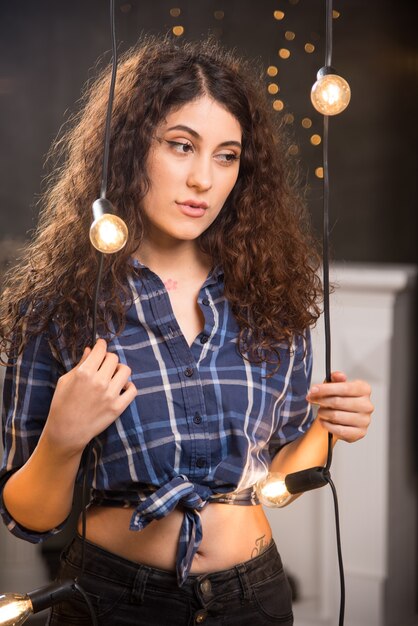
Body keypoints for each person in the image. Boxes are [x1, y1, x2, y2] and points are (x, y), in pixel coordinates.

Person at [0, 36, 373, 625]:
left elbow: (276, 476)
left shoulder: (269, 296)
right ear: (124, 152)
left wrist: (329, 429)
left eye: (227, 156)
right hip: (113, 601)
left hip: (254, 598)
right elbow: (30, 518)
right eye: (181, 146)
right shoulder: (59, 308)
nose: (204, 178)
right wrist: (62, 439)